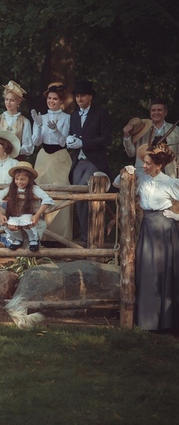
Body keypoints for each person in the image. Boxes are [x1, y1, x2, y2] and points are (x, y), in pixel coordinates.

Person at [115, 144, 179, 331]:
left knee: (162, 272)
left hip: (164, 229)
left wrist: (176, 216)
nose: (144, 166)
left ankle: (166, 322)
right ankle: (147, 321)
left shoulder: (169, 182)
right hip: (147, 227)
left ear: (159, 166)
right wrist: (125, 171)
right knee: (147, 270)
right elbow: (117, 183)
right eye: (144, 162)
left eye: (148, 164)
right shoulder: (141, 179)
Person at [66, 80, 112, 245]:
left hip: (94, 161)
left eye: (83, 95)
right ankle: (86, 237)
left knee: (84, 191)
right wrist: (70, 140)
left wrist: (83, 143)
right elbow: (72, 133)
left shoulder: (101, 113)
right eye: (77, 96)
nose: (80, 98)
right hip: (78, 161)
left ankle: (95, 237)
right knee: (78, 198)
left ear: (90, 96)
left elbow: (106, 139)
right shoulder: (73, 115)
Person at [31, 82, 72, 241]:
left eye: (55, 99)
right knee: (41, 193)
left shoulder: (67, 118)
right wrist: (38, 125)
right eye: (49, 98)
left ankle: (61, 237)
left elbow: (64, 142)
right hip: (44, 156)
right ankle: (41, 236)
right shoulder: (41, 117)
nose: (51, 101)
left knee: (61, 194)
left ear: (61, 101)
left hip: (60, 157)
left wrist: (56, 130)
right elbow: (36, 142)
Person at [0, 161, 54, 252]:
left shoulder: (34, 188)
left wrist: (37, 215)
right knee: (11, 225)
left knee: (28, 223)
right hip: (16, 216)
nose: (19, 182)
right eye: (17, 179)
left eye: (22, 179)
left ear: (29, 179)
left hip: (29, 215)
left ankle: (33, 239)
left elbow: (47, 199)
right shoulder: (11, 188)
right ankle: (18, 239)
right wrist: (0, 214)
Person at [123, 100, 178, 177]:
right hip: (144, 173)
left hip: (168, 173)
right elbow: (131, 153)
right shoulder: (141, 130)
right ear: (150, 112)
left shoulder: (176, 130)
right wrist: (127, 135)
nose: (156, 113)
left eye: (159, 110)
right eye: (153, 110)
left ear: (165, 112)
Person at [0, 80, 34, 159]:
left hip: (17, 160)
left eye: (12, 100)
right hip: (0, 159)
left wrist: (15, 150)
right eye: (6, 99)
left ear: (18, 101)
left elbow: (28, 146)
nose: (8, 103)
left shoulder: (24, 122)